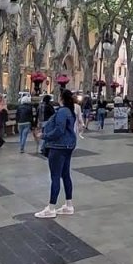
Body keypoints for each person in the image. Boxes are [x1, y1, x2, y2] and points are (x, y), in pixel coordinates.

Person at [36, 89, 78, 217]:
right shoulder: (70, 111)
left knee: (55, 176)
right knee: (65, 175)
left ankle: (51, 207)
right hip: (68, 145)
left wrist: (44, 135)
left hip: (58, 146)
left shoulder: (62, 111)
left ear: (61, 98)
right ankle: (69, 204)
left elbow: (59, 129)